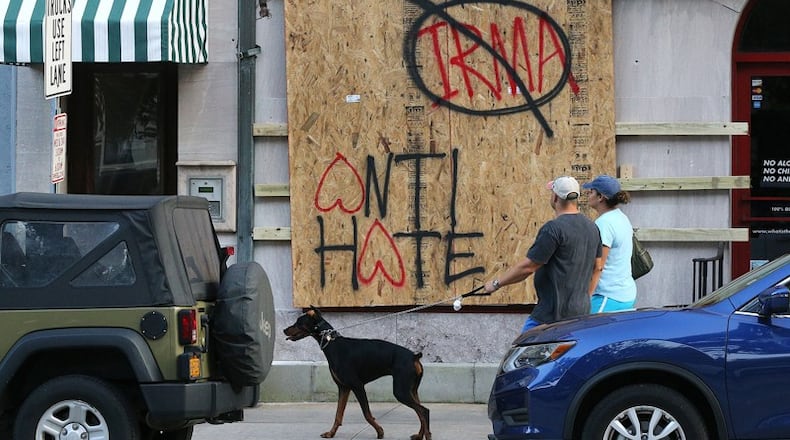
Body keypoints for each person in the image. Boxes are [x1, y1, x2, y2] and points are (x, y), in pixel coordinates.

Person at [483, 176, 602, 332]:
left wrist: (496, 284)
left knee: (523, 352)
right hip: (580, 314)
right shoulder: (592, 228)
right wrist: (585, 298)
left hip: (550, 316)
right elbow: (598, 267)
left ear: (555, 197)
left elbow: (528, 267)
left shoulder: (553, 229)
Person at [582, 174, 637, 313]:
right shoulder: (622, 217)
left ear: (600, 197)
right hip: (625, 293)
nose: (588, 194)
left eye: (591, 191)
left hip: (608, 296)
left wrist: (586, 296)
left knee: (589, 333)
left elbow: (598, 266)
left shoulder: (604, 224)